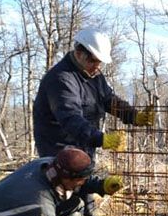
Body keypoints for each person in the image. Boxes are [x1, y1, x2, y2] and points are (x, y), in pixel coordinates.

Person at [32, 27, 155, 159]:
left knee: (85, 177)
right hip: (59, 154)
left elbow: (108, 99)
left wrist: (133, 115)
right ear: (79, 53)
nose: (97, 66)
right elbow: (70, 118)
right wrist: (101, 139)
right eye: (93, 61)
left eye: (99, 62)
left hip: (82, 148)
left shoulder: (92, 74)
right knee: (72, 178)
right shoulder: (61, 79)